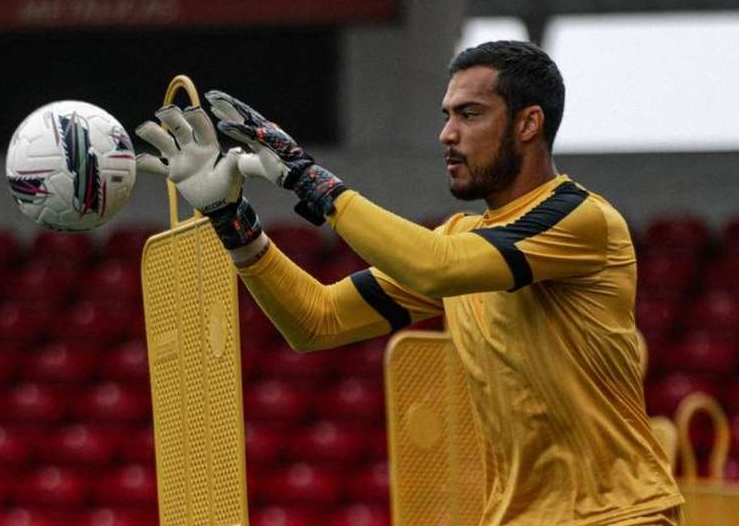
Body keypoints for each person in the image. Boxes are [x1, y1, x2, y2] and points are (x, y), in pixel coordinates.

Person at [135, 40, 684, 525]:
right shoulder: (461, 240)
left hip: (620, 515)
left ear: (528, 124)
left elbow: (436, 267)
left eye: (470, 114)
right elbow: (317, 322)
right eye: (446, 115)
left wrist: (308, 178)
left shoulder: (579, 218)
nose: (447, 134)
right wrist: (234, 221)